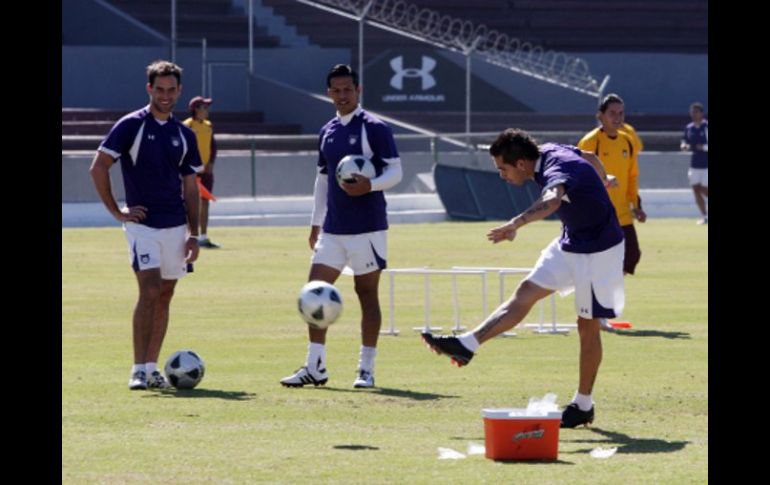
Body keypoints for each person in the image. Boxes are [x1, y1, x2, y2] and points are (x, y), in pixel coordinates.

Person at [422, 128, 625, 429]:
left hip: (600, 251)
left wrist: (515, 223)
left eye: (502, 169)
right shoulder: (549, 148)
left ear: (520, 164)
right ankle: (467, 345)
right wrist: (604, 179)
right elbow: (591, 156)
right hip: (571, 242)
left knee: (587, 326)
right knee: (526, 291)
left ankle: (583, 404)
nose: (501, 175)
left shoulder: (555, 168)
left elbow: (553, 200)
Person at [280, 64, 403, 389]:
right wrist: (315, 223)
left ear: (358, 90)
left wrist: (371, 185)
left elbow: (396, 172)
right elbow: (322, 179)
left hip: (369, 228)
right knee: (313, 294)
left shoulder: (375, 128)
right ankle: (314, 366)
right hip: (333, 230)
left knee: (367, 295)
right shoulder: (328, 131)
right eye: (337, 90)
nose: (343, 94)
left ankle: (366, 368)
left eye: (348, 89)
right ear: (329, 93)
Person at [89, 60, 202, 390]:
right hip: (142, 226)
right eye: (160, 89)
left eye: (172, 90)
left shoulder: (184, 134)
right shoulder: (131, 125)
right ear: (149, 89)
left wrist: (194, 234)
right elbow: (98, 167)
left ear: (179, 91)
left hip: (176, 226)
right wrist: (118, 212)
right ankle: (138, 369)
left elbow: (191, 187)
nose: (166, 96)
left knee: (165, 295)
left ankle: (153, 368)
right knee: (150, 290)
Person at [578, 93, 646, 279]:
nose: (617, 118)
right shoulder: (591, 141)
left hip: (623, 212)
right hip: (600, 212)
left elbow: (632, 176)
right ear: (601, 115)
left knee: (632, 255)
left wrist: (637, 206)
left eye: (621, 113)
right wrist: (603, 178)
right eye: (612, 113)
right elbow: (579, 175)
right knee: (600, 256)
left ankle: (608, 288)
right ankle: (600, 292)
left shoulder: (628, 141)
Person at [183, 96, 220, 248]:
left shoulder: (208, 126)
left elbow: (213, 147)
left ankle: (204, 237)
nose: (206, 111)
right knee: (189, 204)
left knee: (205, 203)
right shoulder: (187, 125)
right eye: (204, 107)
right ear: (195, 109)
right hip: (192, 173)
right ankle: (190, 236)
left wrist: (210, 163)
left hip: (206, 172)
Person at [681, 102, 708, 224]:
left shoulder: (706, 126)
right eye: (692, 112)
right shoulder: (689, 127)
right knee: (696, 189)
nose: (694, 114)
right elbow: (684, 140)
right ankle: (705, 216)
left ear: (701, 113)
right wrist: (684, 146)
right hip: (695, 164)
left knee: (704, 189)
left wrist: (703, 147)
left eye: (697, 112)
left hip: (706, 165)